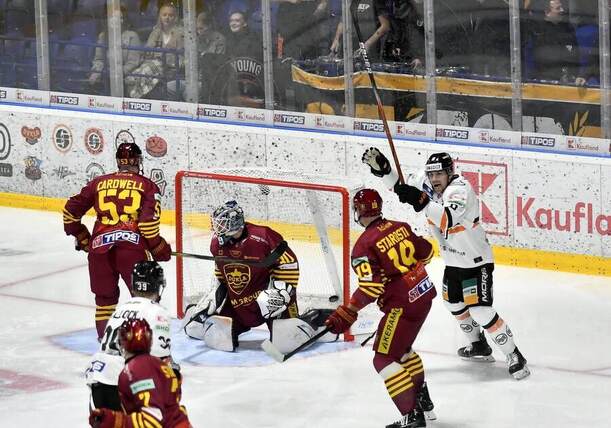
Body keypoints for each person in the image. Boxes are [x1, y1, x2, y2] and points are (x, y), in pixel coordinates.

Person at [362, 148, 530, 380]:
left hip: (475, 263)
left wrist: (418, 199)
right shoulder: (427, 182)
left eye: (439, 174)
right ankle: (479, 345)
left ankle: (515, 355)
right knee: (454, 305)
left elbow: (446, 219)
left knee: (480, 311)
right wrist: (385, 170)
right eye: (431, 175)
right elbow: (399, 185)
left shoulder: (460, 190)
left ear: (450, 172)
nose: (434, 179)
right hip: (453, 262)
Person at [324, 188, 437, 428]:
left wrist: (349, 310)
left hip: (402, 306)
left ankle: (412, 416)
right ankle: (421, 400)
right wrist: (400, 270)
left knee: (383, 359)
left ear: (359, 211)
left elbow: (371, 287)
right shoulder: (401, 226)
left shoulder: (364, 246)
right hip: (423, 296)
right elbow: (427, 253)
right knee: (403, 350)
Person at [182, 200, 331, 353]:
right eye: (217, 223)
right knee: (203, 331)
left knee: (287, 340)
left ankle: (317, 320)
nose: (216, 228)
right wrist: (214, 294)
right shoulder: (216, 244)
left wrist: (282, 291)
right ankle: (215, 317)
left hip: (268, 302)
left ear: (234, 223)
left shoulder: (264, 237)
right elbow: (221, 272)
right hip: (238, 305)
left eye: (222, 224)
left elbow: (289, 262)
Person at [63, 142, 172, 340]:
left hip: (99, 251)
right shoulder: (147, 185)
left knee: (105, 301)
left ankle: (106, 345)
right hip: (132, 250)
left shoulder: (98, 182)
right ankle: (142, 346)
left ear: (119, 162)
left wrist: (82, 237)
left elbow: (70, 212)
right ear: (138, 161)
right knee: (144, 299)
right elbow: (147, 226)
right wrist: (158, 247)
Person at [85, 261, 174, 412]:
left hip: (97, 378)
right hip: (124, 383)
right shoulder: (157, 312)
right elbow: (161, 358)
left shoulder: (121, 309)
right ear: (158, 286)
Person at [89, 318, 191, 428]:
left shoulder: (135, 370)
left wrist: (116, 421)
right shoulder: (160, 364)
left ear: (122, 342)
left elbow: (152, 420)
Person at [125, 1, 185, 99]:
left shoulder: (181, 34)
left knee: (145, 72)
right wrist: (160, 54)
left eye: (171, 15)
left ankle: (135, 92)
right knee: (140, 72)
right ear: (160, 17)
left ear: (175, 18)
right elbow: (148, 51)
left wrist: (161, 55)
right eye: (164, 15)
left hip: (170, 69)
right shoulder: (155, 32)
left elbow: (180, 57)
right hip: (153, 63)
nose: (167, 17)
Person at [524, 0, 585, 85]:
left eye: (562, 7)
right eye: (558, 8)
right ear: (547, 12)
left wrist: (578, 75)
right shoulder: (538, 33)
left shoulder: (567, 28)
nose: (562, 10)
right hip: (546, 82)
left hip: (569, 79)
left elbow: (576, 55)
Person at [88, 4, 142, 95]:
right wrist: (97, 71)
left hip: (124, 77)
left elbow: (133, 63)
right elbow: (99, 59)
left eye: (121, 18)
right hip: (106, 74)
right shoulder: (102, 36)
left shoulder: (132, 36)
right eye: (113, 17)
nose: (118, 20)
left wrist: (116, 74)